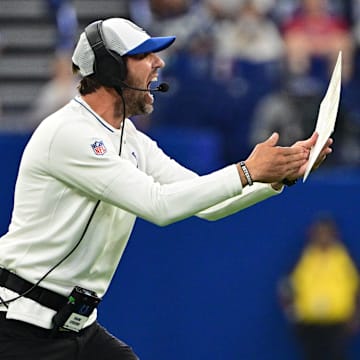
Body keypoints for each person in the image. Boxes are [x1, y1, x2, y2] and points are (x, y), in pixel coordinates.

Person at [0, 17, 332, 360]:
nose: (159, 63)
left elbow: (206, 204)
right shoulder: (69, 132)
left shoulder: (133, 141)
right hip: (20, 329)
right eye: (143, 55)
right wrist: (248, 170)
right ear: (110, 69)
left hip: (76, 330)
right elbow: (159, 206)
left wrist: (279, 175)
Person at [278, 215, 360, 360]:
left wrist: (356, 316)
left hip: (337, 323)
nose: (323, 237)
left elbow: (356, 289)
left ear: (334, 234)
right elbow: (286, 287)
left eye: (327, 232)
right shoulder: (304, 258)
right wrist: (292, 313)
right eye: (320, 232)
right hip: (310, 324)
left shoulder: (343, 259)